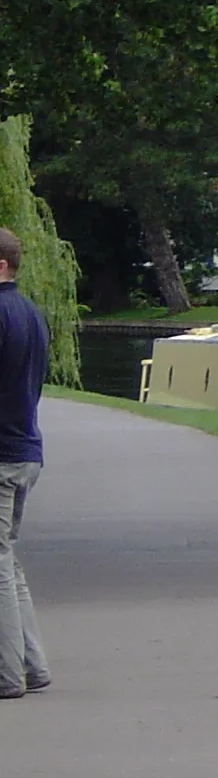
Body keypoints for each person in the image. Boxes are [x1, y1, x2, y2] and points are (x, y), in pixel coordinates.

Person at [0, 226, 50, 699]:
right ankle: (33, 666)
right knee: (7, 562)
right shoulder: (31, 313)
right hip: (25, 450)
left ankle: (7, 675)